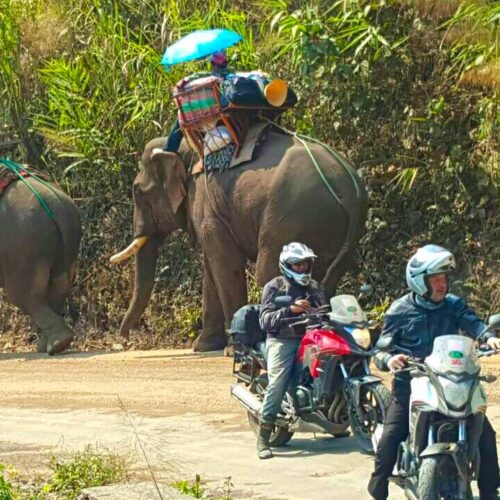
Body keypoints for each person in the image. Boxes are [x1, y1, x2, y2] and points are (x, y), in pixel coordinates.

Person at [367, 244, 500, 500]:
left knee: (485, 432)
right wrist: (390, 359)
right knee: (392, 434)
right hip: (412, 383)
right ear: (419, 281)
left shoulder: (453, 305)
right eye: (436, 279)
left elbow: (473, 323)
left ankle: (489, 490)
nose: (442, 285)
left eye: (444, 279)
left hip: (454, 381)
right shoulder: (399, 310)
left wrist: (487, 336)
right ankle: (378, 486)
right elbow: (380, 351)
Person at [257, 242, 325, 459]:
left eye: (305, 264)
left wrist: (318, 311)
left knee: (328, 366)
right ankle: (263, 437)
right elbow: (265, 320)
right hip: (281, 340)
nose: (302, 269)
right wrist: (290, 309)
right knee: (278, 382)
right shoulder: (274, 287)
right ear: (286, 265)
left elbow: (325, 309)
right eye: (297, 265)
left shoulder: (313, 286)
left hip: (310, 337)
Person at [161, 51, 231, 155]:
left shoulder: (205, 76)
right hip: (218, 110)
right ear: (226, 63)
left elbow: (182, 83)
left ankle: (169, 149)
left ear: (212, 64)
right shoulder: (227, 76)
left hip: (198, 115)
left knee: (180, 119)